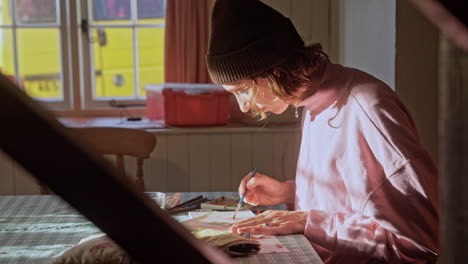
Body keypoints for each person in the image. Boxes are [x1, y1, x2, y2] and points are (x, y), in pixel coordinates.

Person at [205, 0, 439, 263]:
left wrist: (309, 221)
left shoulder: (370, 109)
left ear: (273, 71)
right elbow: (360, 198)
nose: (244, 106)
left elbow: (418, 245)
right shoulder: (312, 102)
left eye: (241, 91)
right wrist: (290, 192)